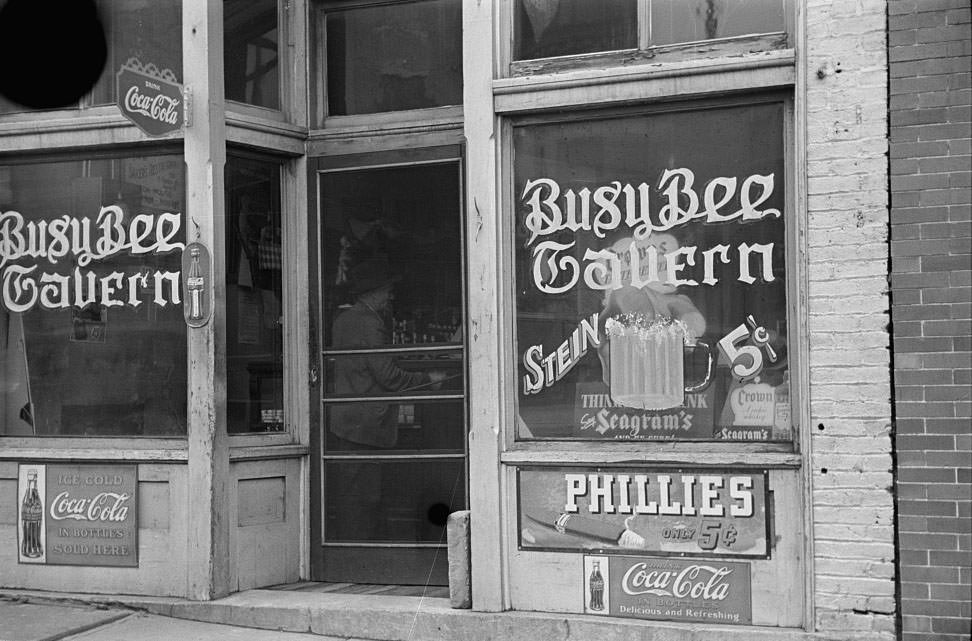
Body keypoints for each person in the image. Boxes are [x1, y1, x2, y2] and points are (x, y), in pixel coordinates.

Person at [327, 258, 446, 540]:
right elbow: (388, 376)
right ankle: (365, 548)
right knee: (369, 497)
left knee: (351, 493)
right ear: (374, 292)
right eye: (387, 290)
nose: (390, 296)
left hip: (346, 420)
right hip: (368, 424)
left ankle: (351, 547)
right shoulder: (370, 323)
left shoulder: (343, 320)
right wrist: (428, 379)